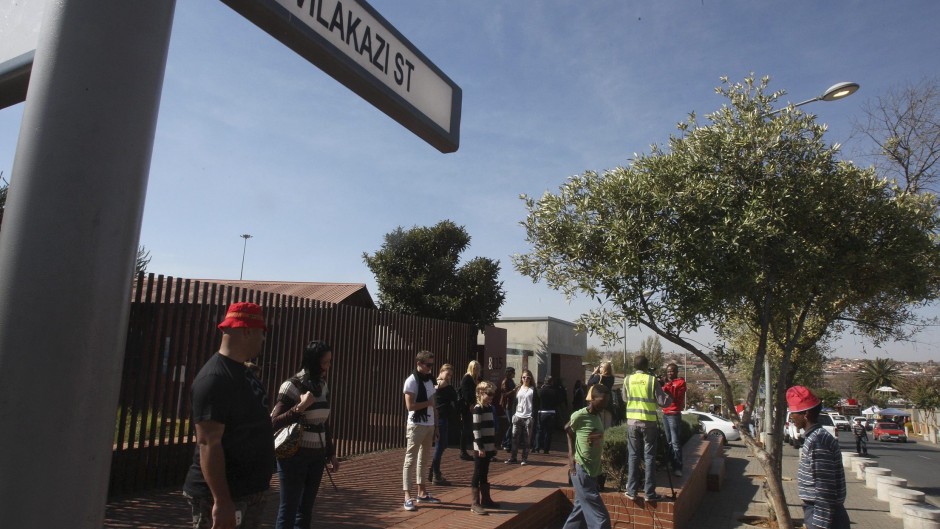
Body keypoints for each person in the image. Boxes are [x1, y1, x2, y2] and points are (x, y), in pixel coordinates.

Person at [182, 302, 274, 529]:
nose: (263, 339)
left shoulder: (244, 372)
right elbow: (208, 443)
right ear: (246, 331)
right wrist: (221, 501)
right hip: (225, 495)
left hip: (249, 491)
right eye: (261, 332)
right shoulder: (214, 379)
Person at [269, 340, 338, 529]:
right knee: (289, 508)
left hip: (316, 456)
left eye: (329, 362)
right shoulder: (291, 385)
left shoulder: (322, 385)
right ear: (313, 362)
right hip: (294, 455)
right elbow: (274, 422)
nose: (328, 366)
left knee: (306, 509)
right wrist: (299, 407)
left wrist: (330, 452)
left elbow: (323, 422)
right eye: (324, 362)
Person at [787, 385, 849, 529]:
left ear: (806, 414)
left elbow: (824, 488)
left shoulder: (817, 441)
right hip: (819, 511)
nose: (792, 418)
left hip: (824, 515)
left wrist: (820, 524)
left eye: (794, 413)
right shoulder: (815, 438)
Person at [562, 383, 612, 529]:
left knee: (579, 513)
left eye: (607, 401)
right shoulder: (580, 415)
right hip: (581, 470)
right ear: (593, 399)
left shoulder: (598, 416)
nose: (605, 404)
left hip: (592, 471)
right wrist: (571, 455)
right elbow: (567, 428)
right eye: (602, 401)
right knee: (601, 519)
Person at [623, 355, 672, 502]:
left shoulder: (627, 379)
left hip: (632, 422)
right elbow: (663, 402)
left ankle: (631, 491)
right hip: (649, 422)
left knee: (633, 455)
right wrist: (669, 396)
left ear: (634, 366)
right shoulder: (652, 380)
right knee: (649, 456)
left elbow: (625, 399)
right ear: (646, 366)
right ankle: (649, 493)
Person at [401, 350, 442, 511]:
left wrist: (436, 426)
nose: (430, 368)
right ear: (419, 363)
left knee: (424, 459)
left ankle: (422, 492)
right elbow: (410, 406)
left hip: (429, 424)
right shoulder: (411, 381)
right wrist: (428, 403)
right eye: (428, 365)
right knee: (410, 459)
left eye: (432, 365)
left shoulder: (430, 380)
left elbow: (434, 405)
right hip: (416, 424)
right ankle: (407, 496)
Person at [470, 380, 500, 515]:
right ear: (481, 393)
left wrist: (493, 445)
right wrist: (480, 447)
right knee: (478, 472)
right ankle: (474, 503)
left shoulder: (489, 407)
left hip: (488, 446)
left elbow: (491, 428)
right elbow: (476, 429)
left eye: (492, 394)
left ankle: (486, 499)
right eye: (489, 394)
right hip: (480, 447)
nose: (491, 397)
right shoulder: (478, 408)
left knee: (485, 472)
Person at [430, 363, 458, 485]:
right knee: (440, 445)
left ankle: (433, 471)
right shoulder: (443, 385)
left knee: (442, 444)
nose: (449, 377)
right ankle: (435, 473)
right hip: (440, 417)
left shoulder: (435, 384)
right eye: (447, 374)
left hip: (442, 416)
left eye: (450, 375)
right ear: (441, 372)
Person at [507, 369, 539, 465]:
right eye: (524, 377)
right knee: (514, 438)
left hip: (528, 417)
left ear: (531, 379)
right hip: (517, 416)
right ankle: (513, 457)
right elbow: (514, 402)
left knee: (526, 440)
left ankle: (524, 458)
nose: (526, 379)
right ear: (521, 378)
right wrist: (513, 414)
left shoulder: (533, 389)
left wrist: (532, 416)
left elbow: (537, 404)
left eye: (528, 377)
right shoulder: (518, 388)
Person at [660, 363, 686, 477]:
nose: (670, 373)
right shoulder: (666, 383)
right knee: (669, 441)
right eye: (668, 371)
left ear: (676, 372)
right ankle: (671, 464)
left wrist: (666, 385)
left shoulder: (680, 382)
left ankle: (678, 467)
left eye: (672, 371)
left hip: (674, 414)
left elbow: (675, 397)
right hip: (665, 413)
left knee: (675, 442)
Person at [458, 360, 483, 461]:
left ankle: (475, 449)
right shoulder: (467, 378)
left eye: (477, 368)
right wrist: (471, 403)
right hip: (467, 407)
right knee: (466, 428)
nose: (476, 369)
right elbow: (466, 393)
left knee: (473, 427)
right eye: (474, 368)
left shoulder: (476, 378)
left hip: (475, 405)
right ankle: (463, 451)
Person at [535, 376, 564, 454]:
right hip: (551, 412)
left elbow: (536, 401)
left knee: (539, 431)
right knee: (548, 432)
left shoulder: (541, 391)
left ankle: (537, 447)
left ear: (545, 381)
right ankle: (546, 449)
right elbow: (559, 401)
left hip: (541, 412)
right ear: (551, 382)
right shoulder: (555, 391)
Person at [498, 367, 517, 452]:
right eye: (513, 372)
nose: (514, 374)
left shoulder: (511, 381)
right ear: (509, 373)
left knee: (512, 424)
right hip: (507, 405)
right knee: (510, 424)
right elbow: (505, 394)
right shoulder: (505, 381)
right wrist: (514, 390)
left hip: (512, 404)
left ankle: (508, 442)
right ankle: (505, 442)